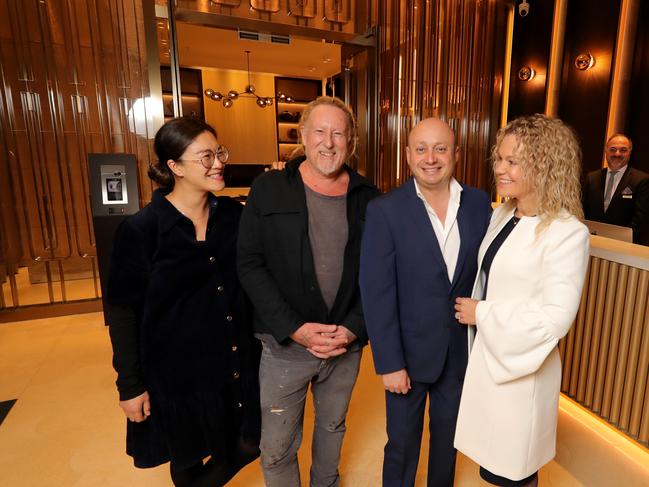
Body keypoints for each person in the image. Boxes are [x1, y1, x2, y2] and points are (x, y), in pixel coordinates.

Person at [107, 116, 261, 487]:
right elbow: (122, 311)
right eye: (205, 156)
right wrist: (129, 386)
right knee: (187, 456)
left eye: (219, 152)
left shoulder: (235, 217)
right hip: (178, 375)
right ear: (174, 167)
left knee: (251, 441)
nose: (219, 163)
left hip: (236, 360)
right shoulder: (142, 230)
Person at [237, 96, 379, 487]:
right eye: (319, 131)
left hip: (344, 344)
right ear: (302, 136)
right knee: (278, 445)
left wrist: (353, 328)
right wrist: (295, 328)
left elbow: (381, 275)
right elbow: (249, 264)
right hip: (285, 346)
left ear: (351, 142)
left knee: (332, 428)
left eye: (338, 133)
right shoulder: (267, 190)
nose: (328, 142)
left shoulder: (371, 199)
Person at [454, 114, 590, 487]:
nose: (499, 168)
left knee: (514, 471)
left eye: (512, 161)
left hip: (521, 374)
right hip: (490, 361)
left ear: (544, 165)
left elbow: (555, 318)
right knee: (492, 465)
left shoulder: (567, 233)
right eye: (499, 158)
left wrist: (482, 313)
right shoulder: (502, 215)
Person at [359, 118, 492, 487]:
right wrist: (389, 363)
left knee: (448, 443)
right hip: (406, 354)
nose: (430, 158)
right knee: (402, 446)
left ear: (456, 154)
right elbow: (376, 290)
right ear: (407, 155)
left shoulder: (479, 203)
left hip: (460, 350)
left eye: (441, 148)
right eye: (421, 148)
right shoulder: (385, 210)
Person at [582, 133, 649, 245]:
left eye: (623, 150)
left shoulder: (642, 180)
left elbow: (640, 219)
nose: (617, 154)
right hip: (591, 243)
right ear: (606, 151)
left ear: (629, 153)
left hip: (622, 248)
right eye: (612, 149)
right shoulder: (591, 178)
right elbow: (583, 210)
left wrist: (620, 241)